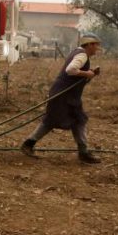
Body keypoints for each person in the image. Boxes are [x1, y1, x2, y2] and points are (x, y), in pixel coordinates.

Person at [21, 34, 103, 164]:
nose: (96, 48)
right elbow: (70, 70)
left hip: (67, 95)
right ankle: (28, 144)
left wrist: (90, 73)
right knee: (51, 121)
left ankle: (83, 152)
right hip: (63, 95)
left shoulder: (78, 53)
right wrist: (87, 73)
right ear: (89, 45)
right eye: (95, 45)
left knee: (78, 121)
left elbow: (76, 74)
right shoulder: (82, 55)